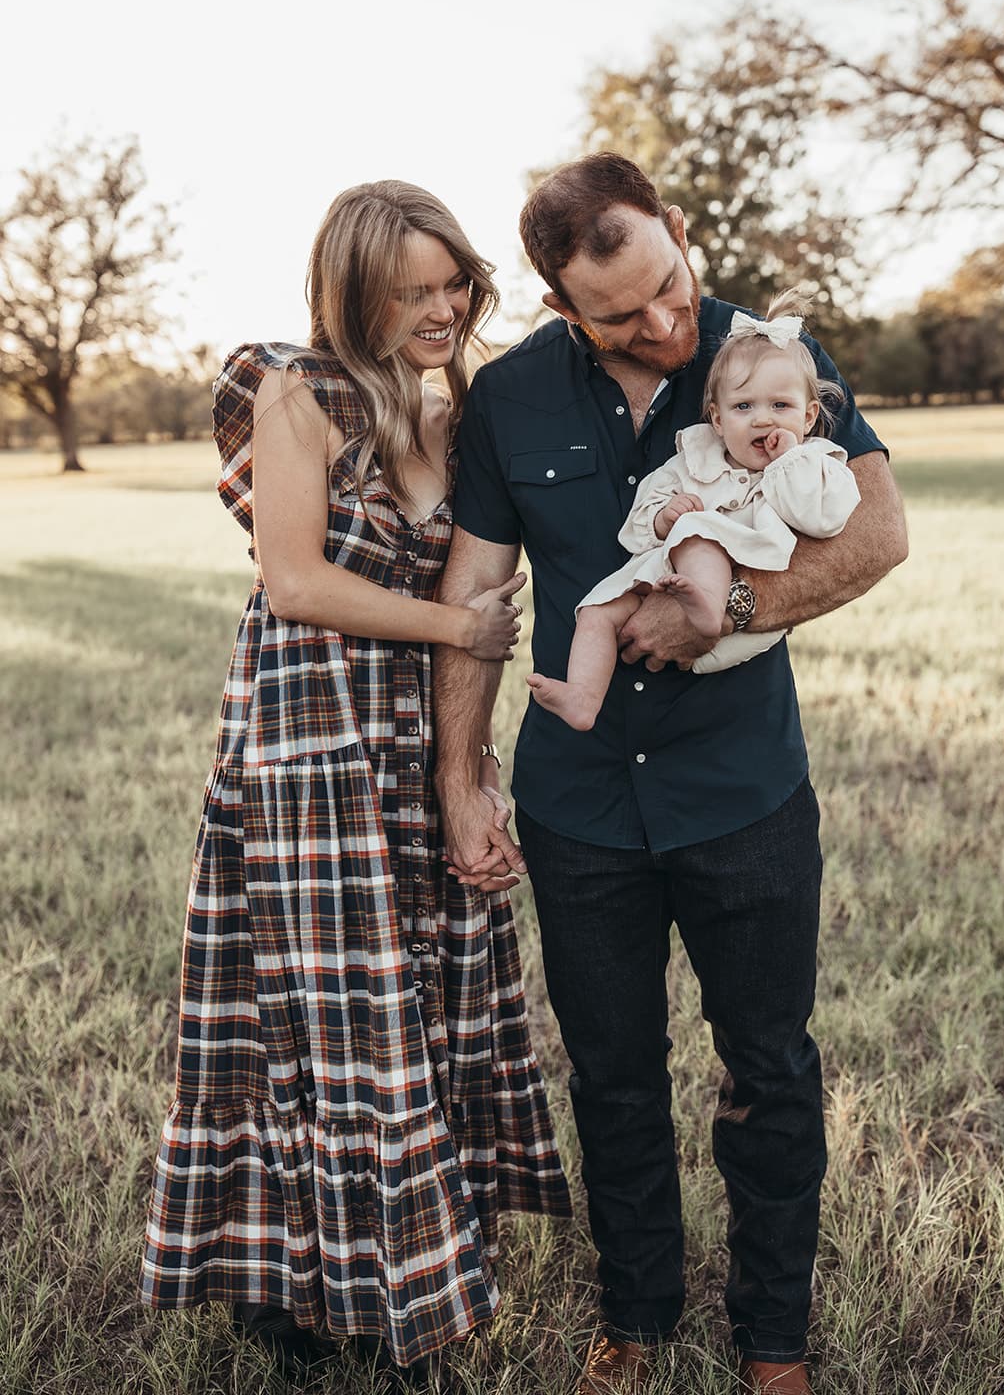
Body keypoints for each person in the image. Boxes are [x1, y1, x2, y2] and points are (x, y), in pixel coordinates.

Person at [432, 154, 907, 1395]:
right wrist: (457, 775)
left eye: (669, 282)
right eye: (619, 312)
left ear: (680, 232)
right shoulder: (508, 400)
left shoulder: (770, 358)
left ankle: (774, 1339)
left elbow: (878, 531)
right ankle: (632, 1313)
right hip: (580, 801)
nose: (663, 323)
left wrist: (733, 603)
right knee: (613, 1074)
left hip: (744, 790)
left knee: (769, 1066)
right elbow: (478, 592)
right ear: (558, 309)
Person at [140, 181, 570, 1386]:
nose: (441, 308)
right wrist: (454, 622)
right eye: (414, 288)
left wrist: (467, 763)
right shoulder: (297, 389)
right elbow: (294, 580)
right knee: (323, 1023)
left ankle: (409, 1279)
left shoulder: (463, 415)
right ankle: (297, 1287)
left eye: (454, 285)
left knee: (420, 1001)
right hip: (309, 739)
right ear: (354, 284)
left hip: (409, 736)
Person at [526, 297, 861, 730]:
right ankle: (582, 698)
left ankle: (706, 612)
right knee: (596, 611)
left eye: (780, 407)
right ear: (718, 420)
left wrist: (788, 459)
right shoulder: (697, 455)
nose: (762, 421)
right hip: (666, 575)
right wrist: (664, 517)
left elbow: (821, 518)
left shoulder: (815, 462)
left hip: (744, 598)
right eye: (744, 407)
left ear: (809, 415)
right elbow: (642, 516)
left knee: (698, 531)